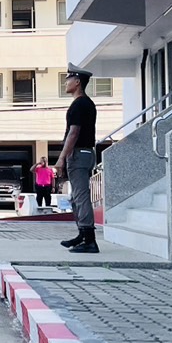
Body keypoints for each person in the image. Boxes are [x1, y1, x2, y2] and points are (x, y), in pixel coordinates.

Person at [56, 67, 99, 253]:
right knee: (76, 197)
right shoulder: (87, 103)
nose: (66, 83)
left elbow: (73, 133)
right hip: (86, 154)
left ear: (77, 82)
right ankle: (82, 235)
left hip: (79, 154)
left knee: (81, 196)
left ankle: (89, 240)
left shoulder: (79, 104)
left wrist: (61, 158)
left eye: (68, 79)